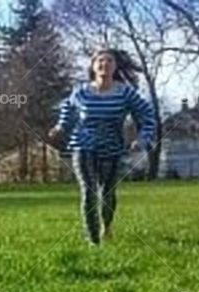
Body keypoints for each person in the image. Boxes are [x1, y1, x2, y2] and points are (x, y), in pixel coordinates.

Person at [48, 48, 157, 246]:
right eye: (99, 60)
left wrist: (142, 138)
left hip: (112, 146)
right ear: (93, 66)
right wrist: (60, 126)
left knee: (107, 191)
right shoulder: (81, 91)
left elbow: (147, 116)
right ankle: (93, 241)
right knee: (88, 191)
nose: (104, 64)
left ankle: (106, 226)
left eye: (109, 61)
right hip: (83, 144)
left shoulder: (125, 92)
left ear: (115, 67)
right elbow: (67, 108)